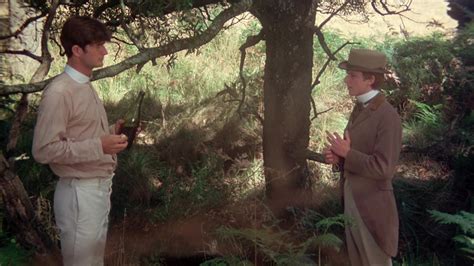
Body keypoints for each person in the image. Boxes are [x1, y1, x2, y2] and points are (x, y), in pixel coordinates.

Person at [32, 16, 128, 266]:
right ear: (76, 50)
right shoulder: (59, 92)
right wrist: (100, 145)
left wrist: (110, 132)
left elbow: (78, 134)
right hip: (79, 194)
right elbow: (44, 150)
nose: (105, 51)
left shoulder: (84, 85)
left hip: (96, 190)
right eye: (98, 45)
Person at [324, 48, 402, 266]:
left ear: (370, 79)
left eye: (352, 75)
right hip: (352, 199)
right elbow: (355, 158)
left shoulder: (388, 117)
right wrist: (338, 160)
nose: (346, 80)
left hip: (372, 207)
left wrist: (348, 154)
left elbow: (384, 169)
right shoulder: (359, 108)